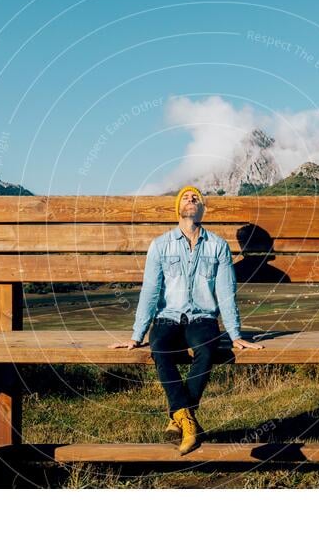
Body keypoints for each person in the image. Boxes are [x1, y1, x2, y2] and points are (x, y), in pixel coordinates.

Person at [110, 185, 263, 455]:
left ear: (202, 209)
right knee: (160, 349)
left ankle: (178, 418)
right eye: (186, 197)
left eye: (196, 198)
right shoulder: (160, 245)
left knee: (206, 349)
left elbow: (225, 291)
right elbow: (150, 290)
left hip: (202, 318)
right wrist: (137, 335)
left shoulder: (217, 246)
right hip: (168, 317)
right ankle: (189, 423)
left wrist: (236, 334)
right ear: (178, 208)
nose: (191, 199)